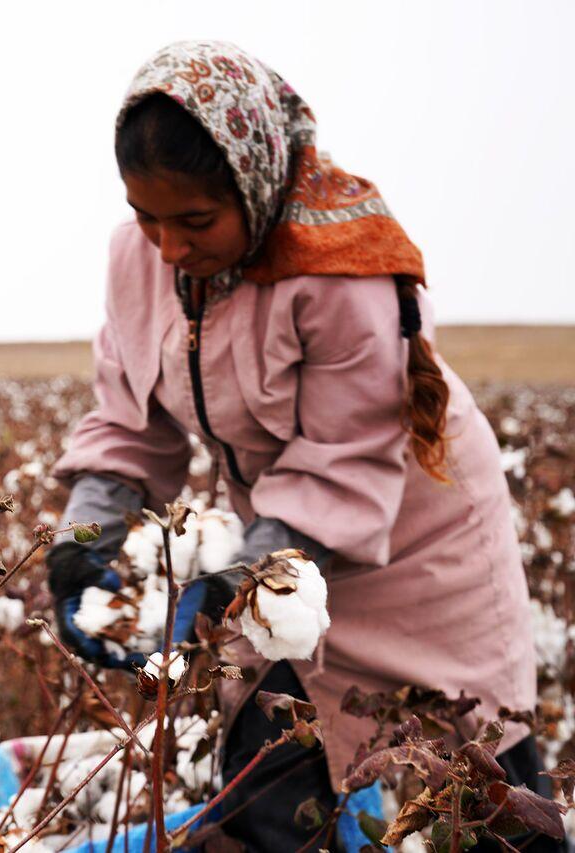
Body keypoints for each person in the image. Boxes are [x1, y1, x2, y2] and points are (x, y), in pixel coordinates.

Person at [46, 41, 551, 851]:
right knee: (271, 770)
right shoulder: (135, 259)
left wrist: (233, 585)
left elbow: (344, 461)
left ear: (253, 183)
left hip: (421, 531)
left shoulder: (340, 273)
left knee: (475, 772)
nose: (169, 247)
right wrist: (87, 540)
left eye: (195, 221)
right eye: (147, 217)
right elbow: (129, 420)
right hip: (276, 539)